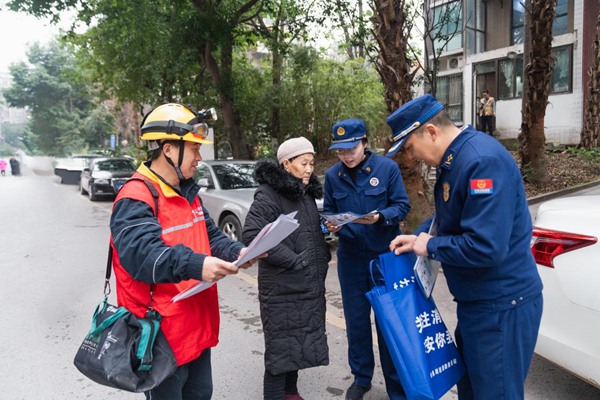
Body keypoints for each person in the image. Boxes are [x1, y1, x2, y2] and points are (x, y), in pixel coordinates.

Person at [386, 94, 543, 400]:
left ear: (430, 131)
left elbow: (485, 247)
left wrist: (430, 247)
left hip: (501, 305)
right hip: (478, 304)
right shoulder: (454, 160)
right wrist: (418, 236)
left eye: (409, 148)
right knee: (472, 391)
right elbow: (452, 214)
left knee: (495, 394)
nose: (411, 157)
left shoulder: (481, 162)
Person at [109, 103, 260, 400]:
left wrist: (239, 251)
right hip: (160, 336)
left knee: (201, 394)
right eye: (193, 149)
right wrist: (197, 264)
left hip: (195, 327)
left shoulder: (187, 192)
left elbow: (211, 237)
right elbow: (143, 256)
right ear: (168, 149)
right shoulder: (135, 197)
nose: (199, 158)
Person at [323, 119, 411, 400]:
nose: (346, 156)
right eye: (340, 151)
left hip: (384, 256)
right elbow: (328, 211)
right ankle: (361, 378)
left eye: (351, 149)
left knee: (388, 323)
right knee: (357, 322)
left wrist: (380, 217)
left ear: (364, 142)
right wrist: (330, 226)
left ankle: (396, 384)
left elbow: (402, 206)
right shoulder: (332, 175)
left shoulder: (387, 169)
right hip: (350, 259)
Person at [242, 137, 331, 400]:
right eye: (303, 163)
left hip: (306, 283)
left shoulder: (303, 193)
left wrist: (325, 229)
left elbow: (302, 229)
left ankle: (290, 393)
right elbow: (252, 234)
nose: (308, 169)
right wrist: (294, 260)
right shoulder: (269, 194)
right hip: (282, 287)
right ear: (286, 163)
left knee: (298, 344)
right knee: (281, 352)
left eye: (311, 163)